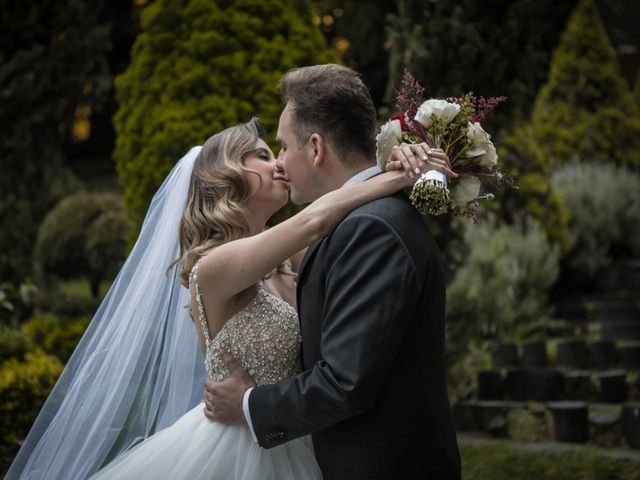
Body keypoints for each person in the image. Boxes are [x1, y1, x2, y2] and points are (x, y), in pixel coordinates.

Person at [7, 111, 448, 479]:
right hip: (235, 451)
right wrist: (391, 178)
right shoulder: (213, 268)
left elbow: (345, 223)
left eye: (275, 150)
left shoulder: (290, 256)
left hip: (294, 437)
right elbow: (318, 219)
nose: (278, 162)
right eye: (260, 155)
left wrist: (396, 162)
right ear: (226, 177)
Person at [204, 64, 462, 479]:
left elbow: (345, 381)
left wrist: (250, 404)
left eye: (284, 147)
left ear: (317, 148)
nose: (282, 163)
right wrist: (393, 173)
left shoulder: (369, 227)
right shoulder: (354, 222)